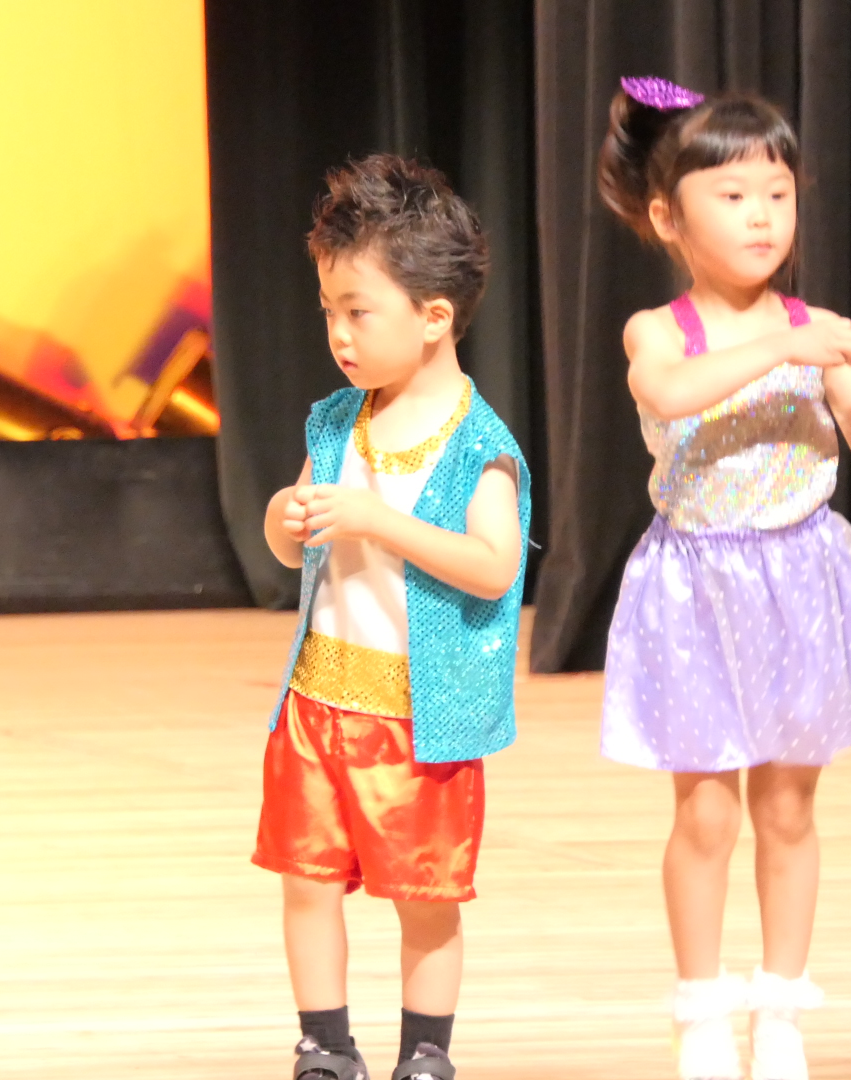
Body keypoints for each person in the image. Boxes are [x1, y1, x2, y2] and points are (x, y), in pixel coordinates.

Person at [594, 76, 851, 1080]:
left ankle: (779, 1010)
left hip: (802, 585)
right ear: (667, 217)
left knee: (787, 809)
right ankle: (700, 1010)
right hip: (696, 590)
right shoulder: (661, 329)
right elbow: (668, 392)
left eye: (778, 193)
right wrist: (786, 347)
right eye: (732, 196)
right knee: (706, 813)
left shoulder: (819, 328)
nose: (762, 215)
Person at [255, 153, 529, 1080]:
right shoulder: (336, 424)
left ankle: (425, 1054)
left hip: (419, 717)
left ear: (434, 316)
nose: (338, 333)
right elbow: (291, 544)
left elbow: (494, 567)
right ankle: (325, 1046)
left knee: (427, 898)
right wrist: (286, 517)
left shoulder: (480, 446)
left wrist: (379, 520)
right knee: (305, 881)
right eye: (328, 309)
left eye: (358, 311)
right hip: (317, 704)